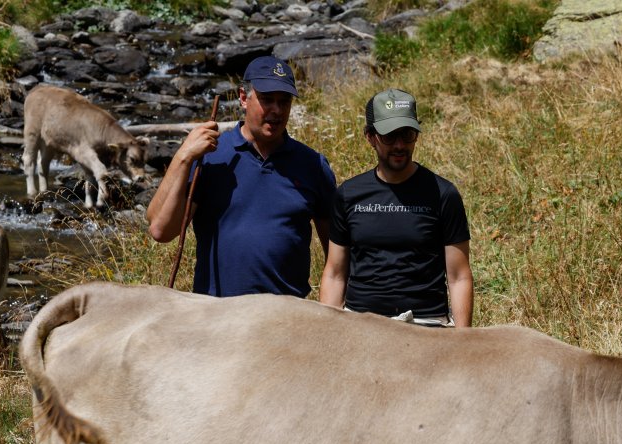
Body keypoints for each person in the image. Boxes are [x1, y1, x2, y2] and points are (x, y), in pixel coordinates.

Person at [147, 56, 336, 297]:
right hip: (218, 311)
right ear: (244, 98)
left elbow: (337, 257)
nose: (277, 110)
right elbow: (162, 231)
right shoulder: (211, 156)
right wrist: (184, 156)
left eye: (284, 101)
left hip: (286, 313)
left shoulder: (313, 165)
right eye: (267, 99)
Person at [319, 89, 473, 327]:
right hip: (360, 323)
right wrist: (328, 332)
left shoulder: (443, 194)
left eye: (407, 134)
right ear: (370, 137)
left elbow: (459, 276)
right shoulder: (348, 195)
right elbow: (335, 274)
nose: (400, 145)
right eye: (389, 136)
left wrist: (462, 339)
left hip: (425, 323)